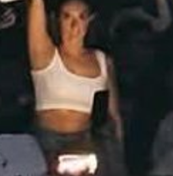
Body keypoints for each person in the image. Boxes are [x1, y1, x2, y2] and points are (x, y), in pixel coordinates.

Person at [26, 0, 123, 157]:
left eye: (81, 17)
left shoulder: (102, 60)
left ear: (89, 21)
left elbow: (113, 116)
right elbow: (36, 5)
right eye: (66, 17)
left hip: (84, 143)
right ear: (56, 20)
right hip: (46, 143)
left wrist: (118, 157)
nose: (74, 24)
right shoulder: (44, 55)